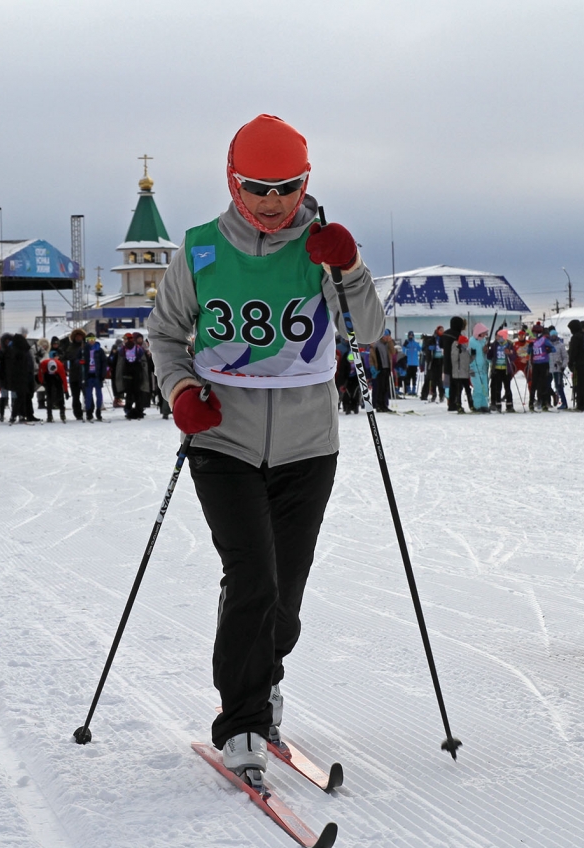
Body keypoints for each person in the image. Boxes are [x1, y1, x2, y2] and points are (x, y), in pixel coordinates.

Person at [146, 114, 383, 783]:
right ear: (233, 182)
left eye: (288, 187)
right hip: (223, 438)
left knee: (284, 594)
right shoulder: (198, 250)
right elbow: (164, 336)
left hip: (309, 445)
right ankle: (242, 719)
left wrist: (351, 267)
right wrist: (182, 389)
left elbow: (366, 330)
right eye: (259, 187)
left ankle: (264, 679)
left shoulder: (320, 246)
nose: (274, 201)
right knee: (251, 576)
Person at [38, 349, 69, 422]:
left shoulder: (60, 366)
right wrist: (42, 382)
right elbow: (40, 374)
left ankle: (62, 413)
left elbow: (64, 379)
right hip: (47, 377)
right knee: (49, 396)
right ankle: (49, 415)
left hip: (57, 377)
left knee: (60, 394)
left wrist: (66, 391)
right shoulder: (43, 364)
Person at [468, 323, 490, 412]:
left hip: (483, 369)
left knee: (485, 387)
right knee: (478, 388)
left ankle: (484, 405)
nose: (485, 334)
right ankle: (477, 406)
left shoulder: (484, 341)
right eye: (484, 332)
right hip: (474, 369)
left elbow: (486, 355)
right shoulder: (471, 341)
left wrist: (486, 351)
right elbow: (467, 355)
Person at [547, 327, 569, 409]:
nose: (553, 337)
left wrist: (563, 366)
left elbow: (565, 357)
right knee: (546, 385)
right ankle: (552, 396)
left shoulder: (561, 345)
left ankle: (564, 403)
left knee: (559, 386)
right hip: (549, 369)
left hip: (558, 368)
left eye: (554, 335)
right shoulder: (547, 345)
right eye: (552, 335)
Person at [449, 333, 470, 413]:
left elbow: (469, 361)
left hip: (465, 373)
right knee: (459, 390)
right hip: (458, 374)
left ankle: (471, 404)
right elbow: (454, 360)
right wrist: (458, 351)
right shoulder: (456, 349)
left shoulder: (466, 351)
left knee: (468, 390)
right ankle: (458, 405)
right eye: (466, 343)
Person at [402, 331, 420, 396]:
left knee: (414, 377)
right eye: (410, 335)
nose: (411, 336)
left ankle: (414, 390)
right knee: (408, 377)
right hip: (408, 363)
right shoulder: (407, 343)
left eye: (412, 335)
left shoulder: (416, 344)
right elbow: (403, 351)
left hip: (415, 363)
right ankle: (408, 389)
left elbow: (420, 349)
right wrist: (404, 346)